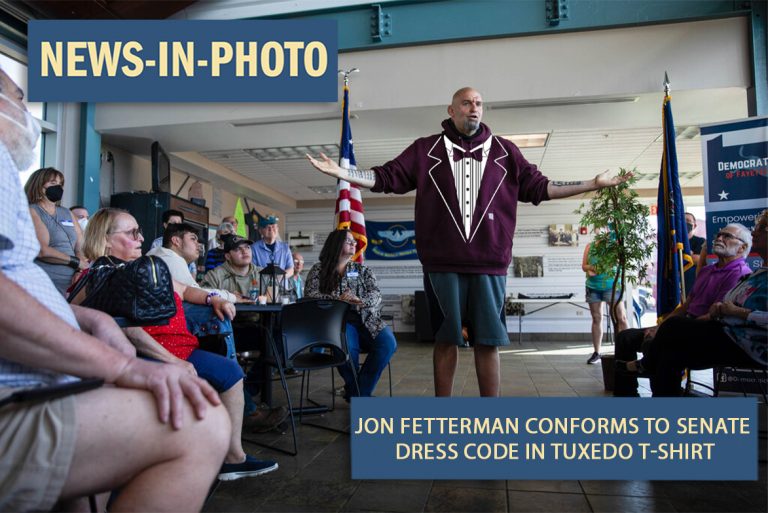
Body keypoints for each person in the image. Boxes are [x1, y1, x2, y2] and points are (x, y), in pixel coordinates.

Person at [0, 67, 230, 512]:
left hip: (49, 376)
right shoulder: (103, 266)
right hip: (18, 392)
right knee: (199, 421)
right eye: (17, 97)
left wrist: (89, 319)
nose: (25, 111)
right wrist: (124, 368)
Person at [307, 86, 629, 397]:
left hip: (490, 265)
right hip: (440, 264)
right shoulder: (425, 149)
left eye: (478, 102)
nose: (473, 107)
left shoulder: (505, 152)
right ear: (451, 110)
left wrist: (591, 184)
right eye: (465, 102)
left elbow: (541, 188)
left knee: (488, 342)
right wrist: (345, 173)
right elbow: (387, 177)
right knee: (446, 341)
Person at [80, 208, 278, 481]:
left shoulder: (142, 269)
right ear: (105, 239)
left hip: (180, 347)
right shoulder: (104, 276)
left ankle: (233, 457)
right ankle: (182, 461)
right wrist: (174, 361)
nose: (141, 238)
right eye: (132, 233)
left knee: (232, 373)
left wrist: (213, 299)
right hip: (147, 356)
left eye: (139, 231)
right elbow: (129, 332)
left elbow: (184, 290)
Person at [617, 210, 767, 396]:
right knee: (631, 337)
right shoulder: (718, 272)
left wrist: (733, 311)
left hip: (733, 338)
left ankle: (648, 365)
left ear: (742, 248)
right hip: (705, 329)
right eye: (718, 235)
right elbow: (688, 305)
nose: (719, 238)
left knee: (670, 339)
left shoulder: (739, 273)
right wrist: (659, 326)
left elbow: (723, 314)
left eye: (726, 236)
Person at [201, 235, 288, 430]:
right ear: (228, 256)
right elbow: (204, 299)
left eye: (247, 248)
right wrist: (230, 300)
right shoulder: (215, 275)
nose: (245, 251)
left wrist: (271, 294)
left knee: (283, 340)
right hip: (228, 331)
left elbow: (277, 295)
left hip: (258, 327)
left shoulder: (262, 273)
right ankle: (247, 405)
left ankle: (247, 389)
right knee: (222, 348)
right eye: (238, 249)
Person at [305, 229, 397, 399]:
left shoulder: (362, 270)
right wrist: (338, 299)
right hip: (337, 322)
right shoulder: (318, 270)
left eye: (354, 241)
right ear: (335, 244)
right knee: (347, 350)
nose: (354, 243)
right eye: (349, 241)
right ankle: (361, 395)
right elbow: (310, 297)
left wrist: (359, 299)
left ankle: (357, 392)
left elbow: (376, 294)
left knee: (388, 344)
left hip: (367, 320)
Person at [25, 167, 87, 295]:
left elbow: (81, 246)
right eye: (53, 183)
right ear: (39, 185)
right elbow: (42, 250)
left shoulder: (67, 212)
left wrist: (79, 271)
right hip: (48, 282)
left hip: (75, 282)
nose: (58, 187)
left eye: (60, 184)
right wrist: (77, 263)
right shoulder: (32, 211)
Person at [581, 229, 628, 364]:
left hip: (611, 286)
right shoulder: (590, 246)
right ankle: (597, 352)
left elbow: (613, 264)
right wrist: (592, 267)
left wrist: (595, 268)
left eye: (603, 229)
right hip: (593, 287)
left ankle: (624, 350)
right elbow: (584, 266)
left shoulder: (613, 246)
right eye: (597, 229)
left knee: (621, 317)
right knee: (596, 318)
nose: (600, 232)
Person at [150, 209, 196, 277]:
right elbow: (154, 267)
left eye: (179, 224)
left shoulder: (187, 243)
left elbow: (192, 270)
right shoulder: (157, 243)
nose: (177, 226)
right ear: (165, 225)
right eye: (174, 223)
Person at [251, 213, 294, 278]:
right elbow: (252, 269)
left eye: (273, 226)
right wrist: (270, 279)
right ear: (260, 231)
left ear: (277, 229)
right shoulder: (254, 248)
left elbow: (291, 269)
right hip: (262, 286)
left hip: (282, 287)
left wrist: (279, 278)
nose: (271, 229)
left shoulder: (285, 247)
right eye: (267, 227)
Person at [683, 212, 706, 293]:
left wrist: (682, 256)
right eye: (682, 220)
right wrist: (689, 255)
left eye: (688, 221)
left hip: (693, 282)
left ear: (694, 225)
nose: (685, 223)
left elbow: (699, 259)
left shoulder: (700, 241)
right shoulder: (674, 242)